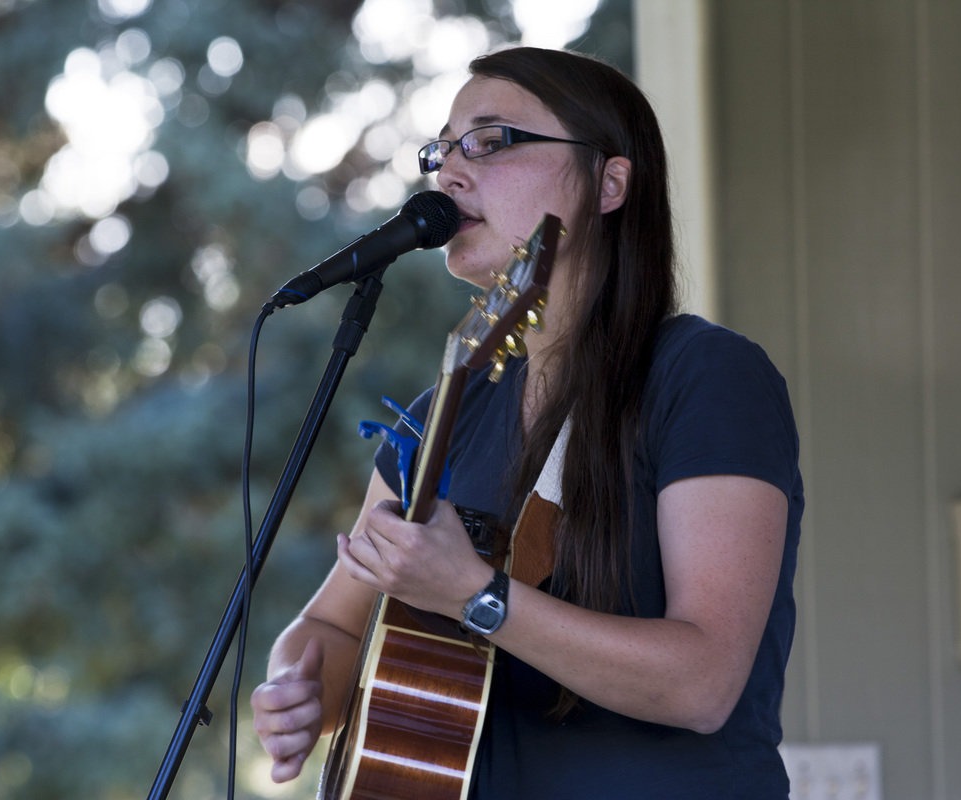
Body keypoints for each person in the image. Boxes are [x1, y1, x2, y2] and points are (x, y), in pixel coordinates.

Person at [250, 46, 803, 799]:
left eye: (490, 141)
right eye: (442, 149)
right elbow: (333, 627)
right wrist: (298, 687)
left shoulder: (706, 377)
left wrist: (475, 594)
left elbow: (703, 683)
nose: (449, 173)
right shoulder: (441, 415)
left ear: (609, 183)